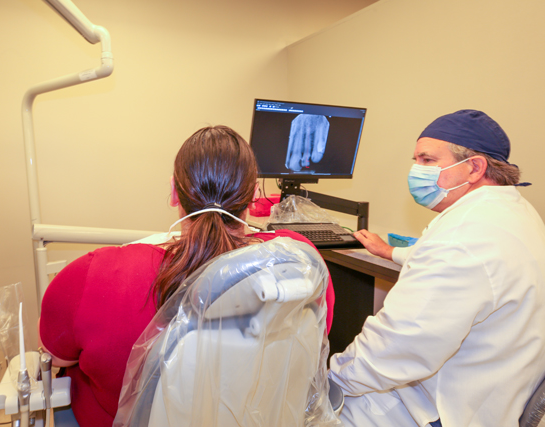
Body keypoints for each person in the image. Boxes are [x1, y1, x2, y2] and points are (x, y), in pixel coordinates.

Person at [38, 125, 335, 427]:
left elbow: (55, 360)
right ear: (253, 198)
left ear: (173, 191)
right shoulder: (299, 263)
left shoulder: (96, 276)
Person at [329, 109, 545, 427]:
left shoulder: (463, 237)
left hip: (440, 411)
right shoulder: (512, 212)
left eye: (428, 161)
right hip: (493, 392)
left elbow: (395, 348)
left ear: (474, 167)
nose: (417, 170)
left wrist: (328, 383)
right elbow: (455, 265)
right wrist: (389, 252)